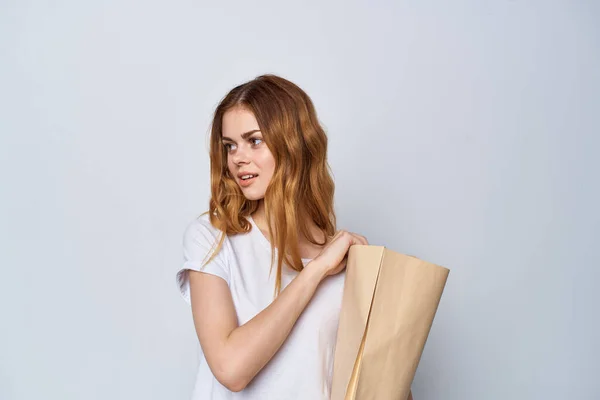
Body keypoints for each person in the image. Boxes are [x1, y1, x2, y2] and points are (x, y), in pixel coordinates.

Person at [176, 74, 414, 400]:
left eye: (254, 141)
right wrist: (315, 271)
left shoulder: (345, 260)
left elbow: (380, 385)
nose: (237, 158)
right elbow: (231, 369)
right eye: (229, 145)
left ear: (293, 144)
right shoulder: (213, 238)